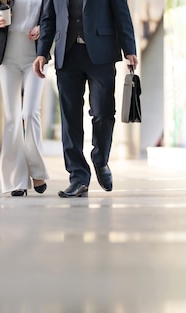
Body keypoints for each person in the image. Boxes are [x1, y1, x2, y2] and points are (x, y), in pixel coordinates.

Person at [32, 0, 138, 197]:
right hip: (67, 54)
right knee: (69, 118)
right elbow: (49, 18)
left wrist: (129, 49)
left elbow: (121, 13)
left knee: (103, 113)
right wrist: (42, 53)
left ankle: (100, 159)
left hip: (101, 53)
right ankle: (78, 176)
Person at [0, 0, 50, 196]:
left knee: (30, 112)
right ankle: (17, 180)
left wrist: (42, 28)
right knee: (11, 118)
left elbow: (53, 17)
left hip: (36, 52)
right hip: (8, 53)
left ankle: (37, 170)